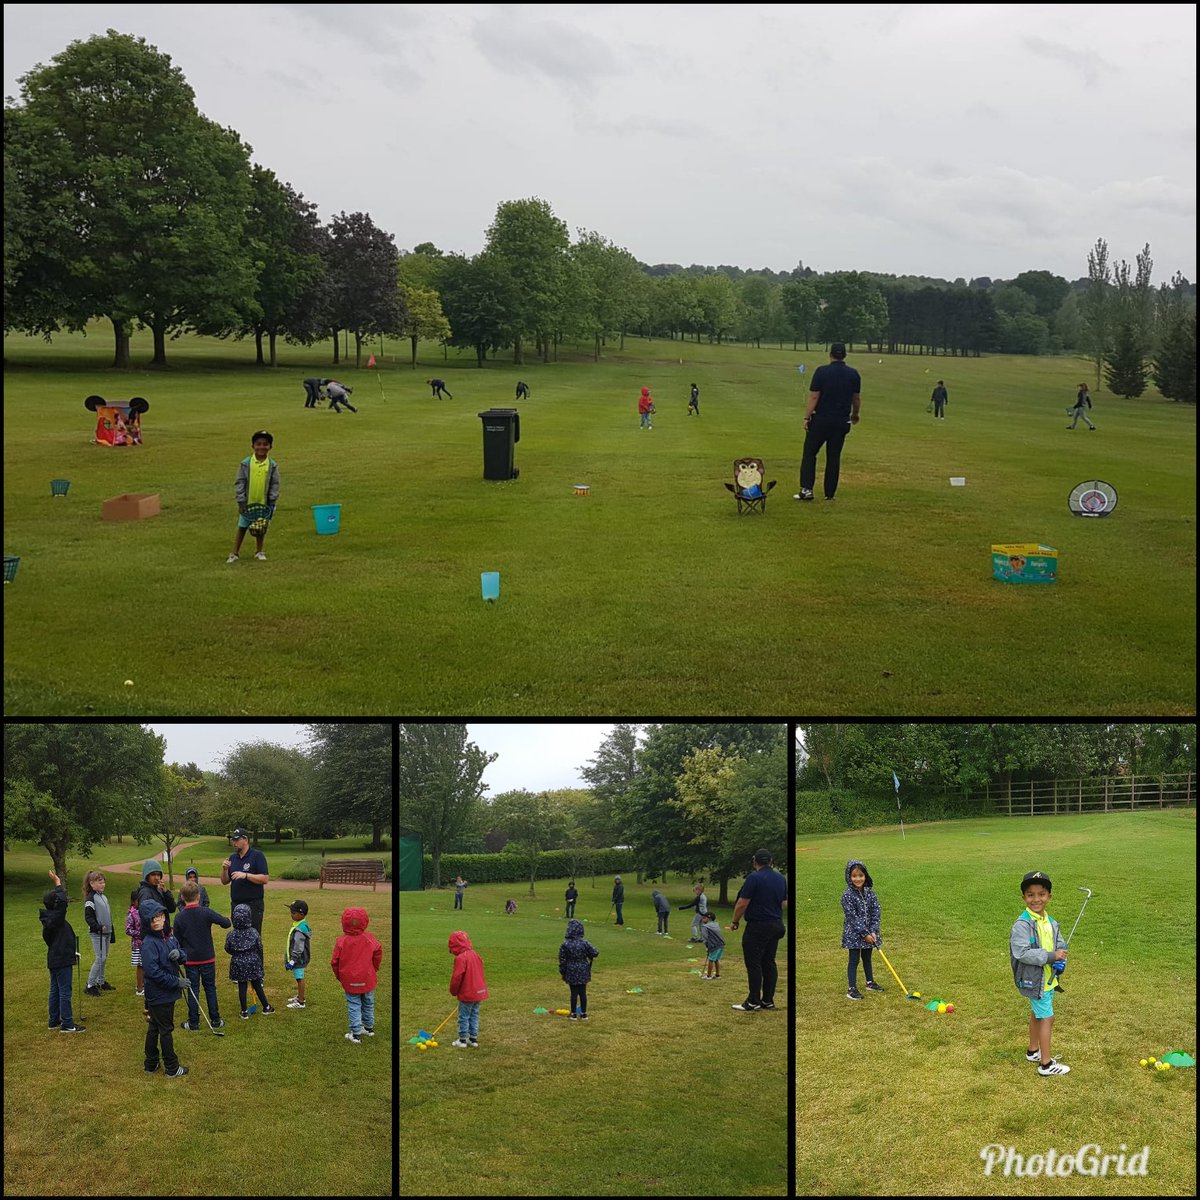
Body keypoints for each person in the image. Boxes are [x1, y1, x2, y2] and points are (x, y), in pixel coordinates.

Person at [1011, 871, 1071, 1075]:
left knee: (1038, 1014)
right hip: (1034, 979)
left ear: (1049, 897)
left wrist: (1062, 958)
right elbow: (1022, 953)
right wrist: (1051, 956)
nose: (1036, 899)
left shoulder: (1050, 921)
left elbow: (1060, 944)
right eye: (1030, 895)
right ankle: (1046, 1064)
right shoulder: (1022, 925)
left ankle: (1033, 1050)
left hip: (1048, 978)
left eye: (1041, 894)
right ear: (1024, 898)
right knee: (1047, 1017)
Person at [795, 342, 861, 502]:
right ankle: (829, 493)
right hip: (841, 421)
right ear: (844, 355)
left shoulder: (822, 371)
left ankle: (807, 489)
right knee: (833, 457)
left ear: (830, 354)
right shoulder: (853, 374)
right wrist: (855, 415)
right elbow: (856, 398)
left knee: (810, 453)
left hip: (821, 420)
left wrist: (806, 417)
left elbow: (814, 396)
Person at [730, 849, 788, 1012]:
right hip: (776, 924)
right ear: (771, 861)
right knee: (769, 962)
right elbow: (784, 902)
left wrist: (735, 921)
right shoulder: (780, 878)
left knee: (754, 963)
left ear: (754, 861)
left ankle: (753, 1000)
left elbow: (742, 903)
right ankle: (767, 1000)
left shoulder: (753, 878)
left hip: (758, 926)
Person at [140, 898, 191, 1076]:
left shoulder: (168, 937)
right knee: (165, 1029)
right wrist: (176, 982)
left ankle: (151, 1063)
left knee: (155, 1026)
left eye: (160, 916)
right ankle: (171, 1067)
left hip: (165, 993)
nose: (157, 921)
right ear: (147, 921)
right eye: (153, 919)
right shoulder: (148, 943)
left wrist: (180, 954)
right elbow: (153, 972)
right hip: (159, 994)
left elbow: (182, 953)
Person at [173, 879, 231, 1031]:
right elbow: (226, 923)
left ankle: (194, 1023)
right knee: (210, 988)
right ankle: (215, 1020)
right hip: (206, 958)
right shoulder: (206, 912)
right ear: (199, 896)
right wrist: (227, 919)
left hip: (190, 959)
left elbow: (177, 941)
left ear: (182, 898)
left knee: (193, 989)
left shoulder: (179, 917)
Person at [41, 870, 85, 1033]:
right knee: (65, 991)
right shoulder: (55, 919)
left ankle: (53, 1021)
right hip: (61, 960)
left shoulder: (49, 919)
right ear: (55, 905)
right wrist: (58, 883)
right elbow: (62, 903)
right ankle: (67, 1024)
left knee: (55, 989)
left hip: (55, 959)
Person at [228, 431, 280, 564]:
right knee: (242, 527)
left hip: (264, 503)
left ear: (270, 447)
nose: (261, 447)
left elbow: (275, 484)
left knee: (261, 527)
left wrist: (272, 501)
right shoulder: (246, 463)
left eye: (265, 444)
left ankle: (259, 551)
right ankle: (234, 553)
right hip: (247, 503)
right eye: (258, 444)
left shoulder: (272, 465)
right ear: (253, 446)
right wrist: (241, 501)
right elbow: (240, 482)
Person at [220, 828, 270, 966]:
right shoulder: (232, 858)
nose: (234, 842)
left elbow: (264, 878)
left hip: (253, 904)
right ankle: (240, 968)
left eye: (237, 839)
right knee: (238, 936)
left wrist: (246, 875)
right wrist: (224, 870)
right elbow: (224, 881)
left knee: (254, 935)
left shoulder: (257, 856)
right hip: (236, 904)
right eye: (233, 840)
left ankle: (257, 971)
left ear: (245, 840)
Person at [332, 906, 381, 1043]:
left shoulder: (341, 942)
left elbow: (334, 962)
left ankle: (356, 1033)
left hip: (351, 979)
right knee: (368, 1002)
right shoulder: (369, 939)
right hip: (367, 978)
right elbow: (378, 954)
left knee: (354, 1004)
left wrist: (340, 977)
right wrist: (374, 969)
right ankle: (368, 1028)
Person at [841, 859, 883, 1000]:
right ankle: (851, 988)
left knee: (867, 958)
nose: (858, 879)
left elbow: (876, 912)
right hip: (854, 934)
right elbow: (852, 917)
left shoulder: (870, 893)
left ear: (865, 876)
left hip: (869, 933)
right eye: (854, 876)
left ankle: (870, 982)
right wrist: (864, 934)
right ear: (849, 877)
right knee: (854, 959)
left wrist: (873, 931)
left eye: (861, 876)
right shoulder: (847, 895)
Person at [224, 903, 275, 1019]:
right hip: (253, 962)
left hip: (238, 963)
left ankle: (244, 1011)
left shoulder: (231, 934)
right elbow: (259, 946)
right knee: (257, 984)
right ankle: (266, 1007)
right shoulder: (254, 932)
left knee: (242, 986)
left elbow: (228, 948)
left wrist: (236, 954)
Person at [448, 929, 488, 1048]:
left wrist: (453, 991)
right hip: (478, 992)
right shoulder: (475, 954)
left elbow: (457, 977)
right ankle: (473, 1039)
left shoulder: (461, 958)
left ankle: (462, 1040)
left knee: (464, 1016)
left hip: (468, 993)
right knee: (474, 1014)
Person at [82, 870, 115, 997]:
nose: (103, 884)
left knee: (104, 958)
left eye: (103, 882)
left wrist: (111, 931)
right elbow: (88, 917)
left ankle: (101, 982)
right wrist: (98, 927)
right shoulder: (90, 899)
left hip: (107, 933)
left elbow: (108, 915)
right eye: (100, 882)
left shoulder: (103, 897)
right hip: (97, 933)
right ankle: (90, 985)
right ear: (91, 883)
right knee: (100, 958)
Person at [559, 917, 599, 1019]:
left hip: (571, 969)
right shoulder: (584, 942)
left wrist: (563, 973)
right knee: (582, 992)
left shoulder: (565, 944)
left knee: (573, 992)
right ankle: (583, 1013)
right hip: (583, 968)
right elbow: (595, 952)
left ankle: (573, 1014)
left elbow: (562, 960)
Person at [284, 899, 313, 1011]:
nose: (291, 914)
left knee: (299, 978)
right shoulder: (299, 924)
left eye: (293, 913)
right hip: (298, 959)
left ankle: (301, 1001)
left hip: (299, 959)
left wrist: (292, 960)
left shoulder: (300, 929)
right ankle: (299, 996)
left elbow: (298, 947)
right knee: (298, 978)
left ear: (301, 914)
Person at [135, 860, 177, 937]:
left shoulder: (158, 890)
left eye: (158, 875)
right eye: (153, 875)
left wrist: (166, 892)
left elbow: (172, 908)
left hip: (163, 934)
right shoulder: (145, 893)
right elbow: (146, 918)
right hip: (153, 936)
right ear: (147, 876)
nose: (157, 877)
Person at [126, 888, 145, 997]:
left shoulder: (144, 911)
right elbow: (128, 930)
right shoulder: (132, 914)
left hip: (146, 943)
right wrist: (139, 933)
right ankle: (139, 988)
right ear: (134, 901)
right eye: (138, 900)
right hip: (138, 945)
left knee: (146, 964)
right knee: (140, 966)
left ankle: (143, 984)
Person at [699, 910, 725, 979]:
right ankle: (717, 975)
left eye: (704, 918)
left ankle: (709, 975)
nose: (702, 919)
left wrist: (707, 947)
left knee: (711, 959)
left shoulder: (705, 927)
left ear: (709, 919)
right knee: (716, 959)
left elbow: (705, 938)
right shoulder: (716, 924)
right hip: (721, 944)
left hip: (714, 945)